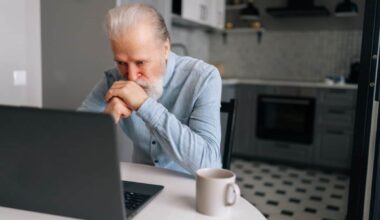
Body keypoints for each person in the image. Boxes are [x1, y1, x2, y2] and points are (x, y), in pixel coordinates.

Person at [78, 3, 222, 176]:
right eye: (121, 63)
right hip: (141, 182)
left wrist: (144, 104)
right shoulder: (114, 79)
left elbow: (210, 163)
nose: (130, 76)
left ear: (165, 49)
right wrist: (105, 120)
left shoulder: (203, 78)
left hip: (189, 189)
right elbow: (76, 142)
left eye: (140, 62)